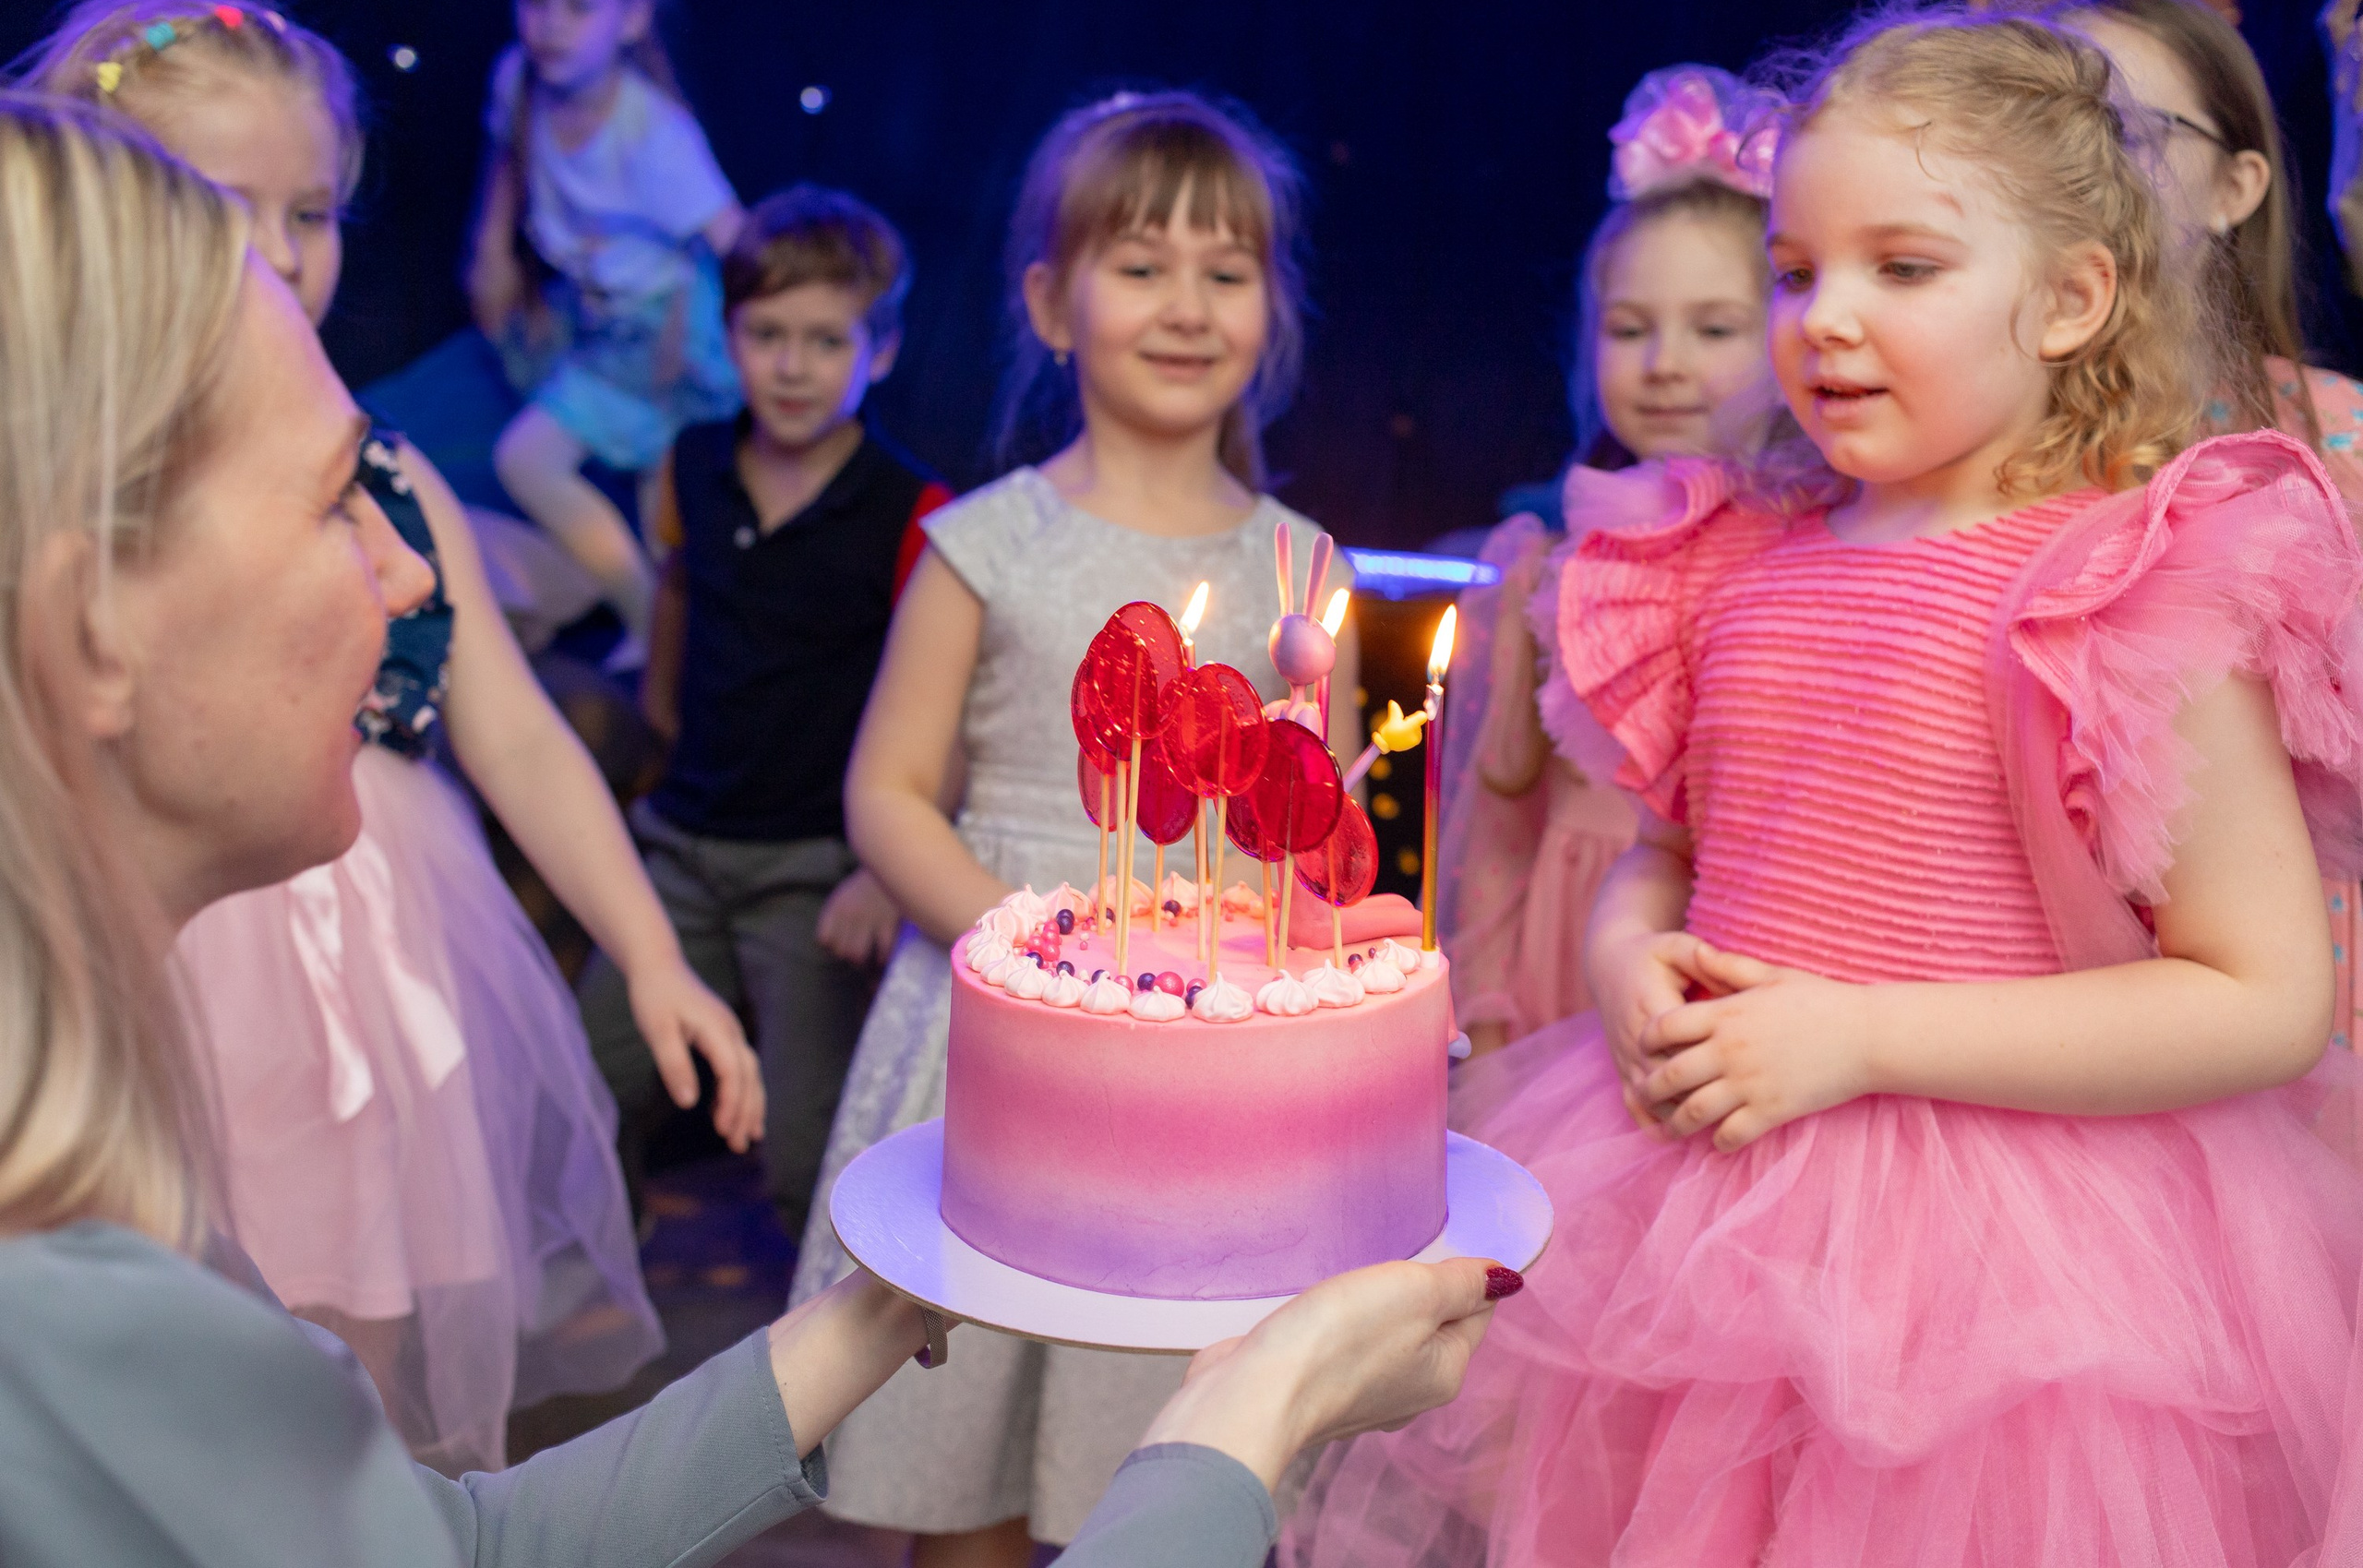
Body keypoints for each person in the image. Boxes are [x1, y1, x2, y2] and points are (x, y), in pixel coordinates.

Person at [0, 90, 1511, 1568]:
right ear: (90, 628)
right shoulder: (66, 1318)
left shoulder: (111, 1231)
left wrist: (873, 1315)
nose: (416, 580)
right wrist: (1254, 1413)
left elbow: (447, 1541)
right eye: (343, 496)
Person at [1287, 9, 2363, 1564]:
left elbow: (2261, 993)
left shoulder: (2128, 589)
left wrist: (1857, 1034)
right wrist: (1622, 951)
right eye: (1797, 270)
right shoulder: (1725, 559)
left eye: (1903, 269)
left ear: (2070, 298)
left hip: (2012, 1275)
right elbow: (1671, 850)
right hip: (1692, 1216)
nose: (1827, 318)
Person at [16, 0, 762, 1475]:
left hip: (378, 951)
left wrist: (653, 951)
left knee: (342, 1341)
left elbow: (523, 738)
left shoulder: (395, 477)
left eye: (314, 211)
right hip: (173, 963)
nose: (285, 256)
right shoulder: (53, 485)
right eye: (223, 211)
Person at [790, 91, 1364, 1565]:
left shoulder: (1307, 574)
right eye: (1141, 264)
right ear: (1051, 303)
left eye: (1227, 272)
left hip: (1216, 1073)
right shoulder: (989, 542)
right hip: (1000, 1034)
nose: (1186, 306)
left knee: (1171, 1441)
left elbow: (1323, 828)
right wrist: (1027, 948)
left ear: (1274, 312)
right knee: (970, 1438)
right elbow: (886, 792)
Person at [580, 184, 952, 1240]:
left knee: (810, 1154)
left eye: (825, 341)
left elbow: (943, 708)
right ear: (727, 334)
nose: (792, 366)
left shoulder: (912, 508)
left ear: (878, 351)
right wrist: (658, 739)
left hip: (812, 870)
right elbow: (678, 604)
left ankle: (828, 1388)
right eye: (766, 335)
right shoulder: (691, 463)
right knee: (587, 1077)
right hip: (681, 845)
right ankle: (609, 1275)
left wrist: (887, 868)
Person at [2050, 0, 2363, 1086]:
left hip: (2297, 967)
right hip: (2052, 982)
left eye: (2127, 131)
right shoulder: (1974, 445)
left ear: (2236, 187)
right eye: (2046, 123)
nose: (2079, 165)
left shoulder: (2340, 443)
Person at [1442, 65, 1777, 1057]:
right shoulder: (1542, 562)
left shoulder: (1817, 560)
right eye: (1630, 329)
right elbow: (1499, 819)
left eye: (1713, 328)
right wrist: (1485, 1001)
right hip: (1561, 958)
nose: (1664, 360)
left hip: (1733, 962)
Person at [469, 0, 744, 668]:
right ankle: (658, 636)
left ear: (632, 18)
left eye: (579, 7)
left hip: (667, 333)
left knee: (532, 459)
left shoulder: (655, 137)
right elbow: (507, 155)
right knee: (657, 502)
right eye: (535, 3)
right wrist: (491, 246)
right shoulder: (518, 77)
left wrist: (750, 339)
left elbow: (736, 240)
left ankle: (655, 627)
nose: (551, 26)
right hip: (600, 317)